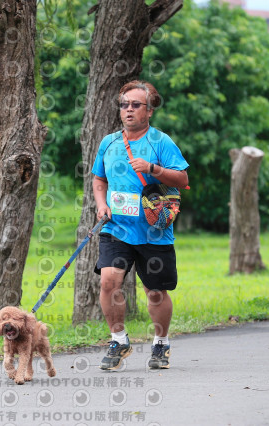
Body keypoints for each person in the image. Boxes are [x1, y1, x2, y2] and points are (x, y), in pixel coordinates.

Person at [91, 80, 189, 370]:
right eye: (124, 105)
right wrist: (101, 205)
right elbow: (99, 180)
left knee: (155, 292)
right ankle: (119, 340)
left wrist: (153, 169)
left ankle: (161, 344)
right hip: (116, 228)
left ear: (149, 111)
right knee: (109, 281)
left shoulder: (161, 142)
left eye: (136, 105)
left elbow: (183, 180)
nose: (129, 110)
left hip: (153, 230)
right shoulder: (108, 142)